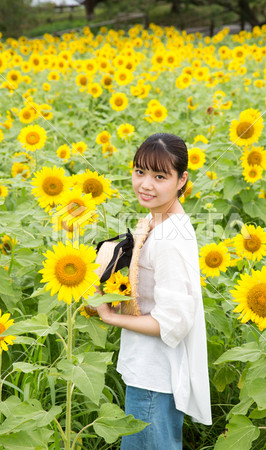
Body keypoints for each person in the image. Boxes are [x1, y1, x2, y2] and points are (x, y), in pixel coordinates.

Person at [96, 133, 212, 449]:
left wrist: (111, 317)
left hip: (154, 377)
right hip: (148, 371)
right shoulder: (157, 219)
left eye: (160, 176)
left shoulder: (169, 239)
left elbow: (172, 322)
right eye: (140, 172)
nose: (146, 184)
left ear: (181, 180)